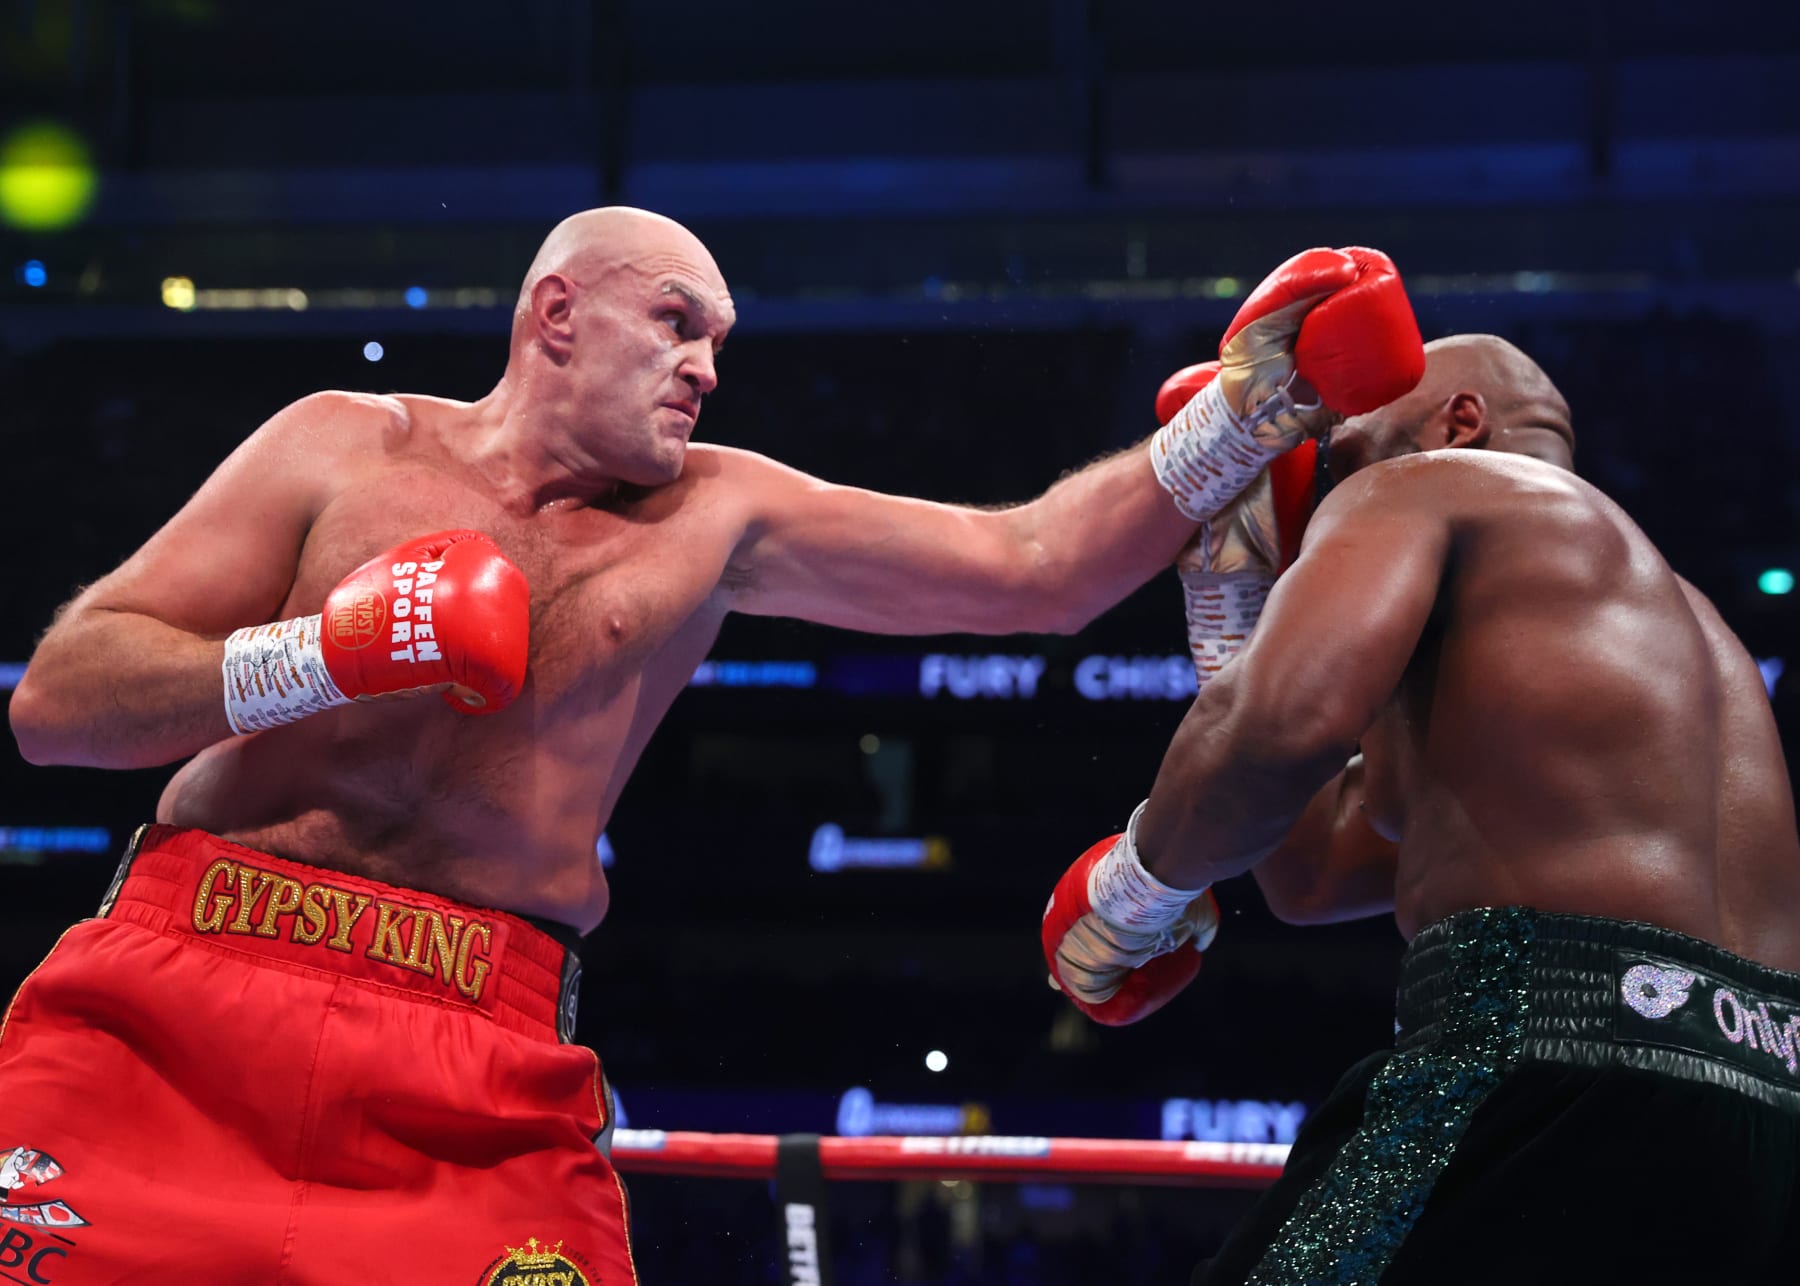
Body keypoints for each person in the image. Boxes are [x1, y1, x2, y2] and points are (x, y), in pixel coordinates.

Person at [2, 209, 1422, 1277]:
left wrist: (1254, 406)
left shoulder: (719, 514)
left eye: (719, 346)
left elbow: (1031, 567)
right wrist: (321, 653)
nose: (704, 369)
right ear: (553, 313)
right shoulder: (339, 445)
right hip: (181, 997)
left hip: (469, 1054)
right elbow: (58, 702)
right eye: (676, 324)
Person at [1042, 333, 1800, 1284]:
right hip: (1767, 1109)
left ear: (1459, 419)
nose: (1332, 474)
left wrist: (1132, 891)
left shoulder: (1429, 483)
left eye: (1349, 443)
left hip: (1538, 1041)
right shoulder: (1678, 630)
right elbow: (1312, 870)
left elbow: (1278, 725)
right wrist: (1233, 605)